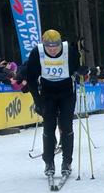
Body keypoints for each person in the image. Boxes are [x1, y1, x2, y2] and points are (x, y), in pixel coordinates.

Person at [20, 29, 84, 179]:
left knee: (66, 126)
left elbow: (77, 67)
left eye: (56, 46)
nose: (53, 49)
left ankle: (67, 162)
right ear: (44, 44)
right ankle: (49, 162)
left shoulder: (69, 49)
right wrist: (37, 101)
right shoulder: (37, 53)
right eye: (49, 46)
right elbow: (31, 79)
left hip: (67, 93)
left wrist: (81, 70)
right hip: (47, 94)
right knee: (49, 127)